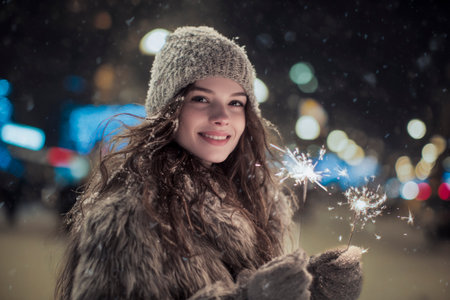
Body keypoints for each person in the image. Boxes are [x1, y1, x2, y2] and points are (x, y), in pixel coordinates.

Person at [55, 26, 363, 300]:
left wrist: (316, 289)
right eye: (201, 99)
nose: (221, 117)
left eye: (235, 103)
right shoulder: (127, 216)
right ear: (169, 108)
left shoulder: (257, 204)